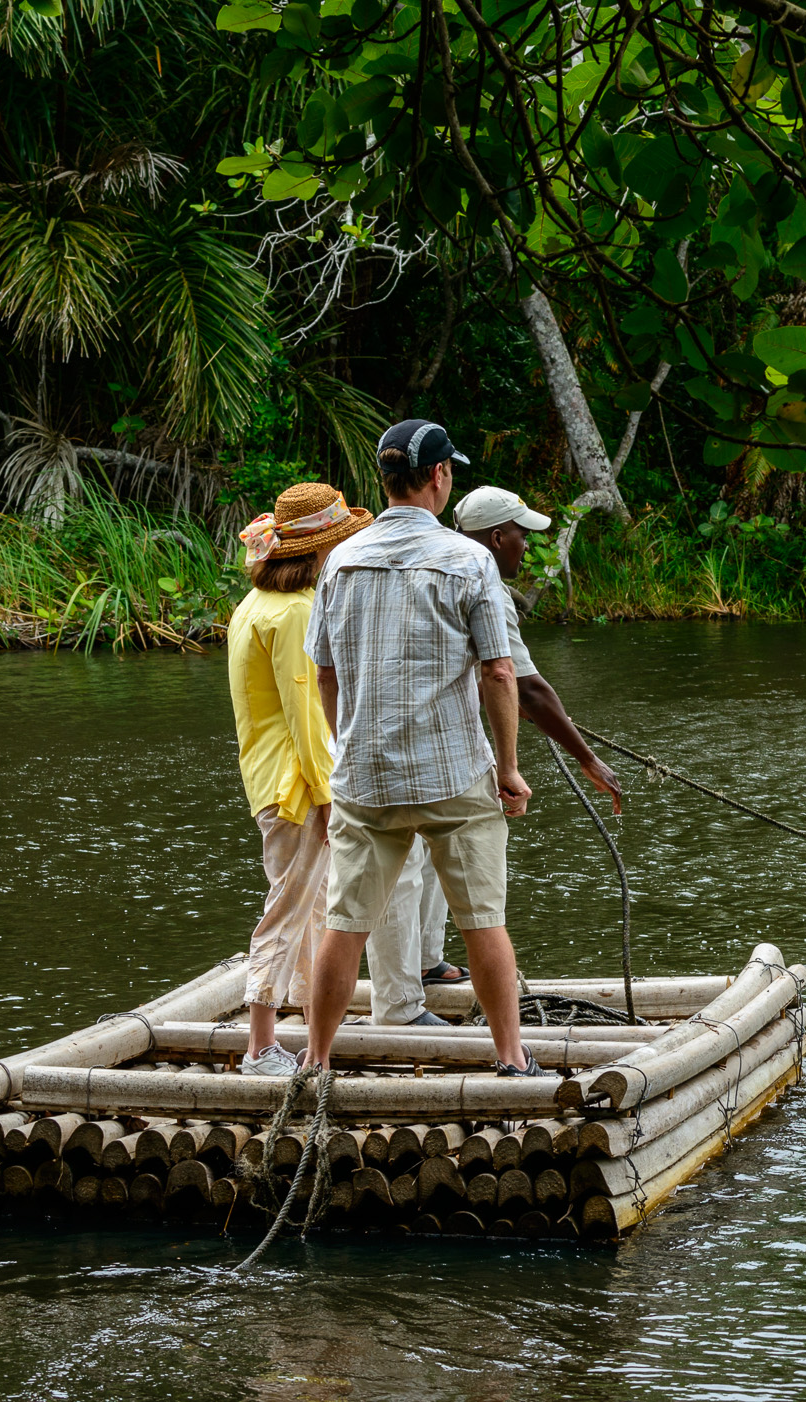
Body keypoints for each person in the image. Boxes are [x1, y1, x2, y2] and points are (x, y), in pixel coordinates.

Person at [303, 419, 548, 1075]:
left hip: (364, 779)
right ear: (439, 476)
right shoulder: (469, 560)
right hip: (452, 776)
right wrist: (510, 770)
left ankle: (316, 1062)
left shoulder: (340, 562)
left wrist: (345, 745)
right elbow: (500, 672)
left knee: (345, 925)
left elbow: (325, 674)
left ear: (385, 481)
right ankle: (510, 1058)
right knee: (482, 921)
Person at [363, 485, 624, 1028]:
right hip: (421, 749)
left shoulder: (427, 561)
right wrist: (585, 758)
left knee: (429, 860)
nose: (526, 547)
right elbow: (520, 687)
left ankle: (427, 962)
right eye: (522, 537)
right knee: (409, 872)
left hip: (415, 743)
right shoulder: (479, 578)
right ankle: (398, 1009)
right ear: (498, 536)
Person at [226, 481, 373, 1076]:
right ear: (316, 554)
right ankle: (259, 1044)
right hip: (297, 787)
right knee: (288, 910)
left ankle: (316, 1032)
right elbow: (310, 719)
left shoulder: (254, 607)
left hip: (273, 780)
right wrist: (331, 794)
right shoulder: (296, 613)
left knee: (312, 909)